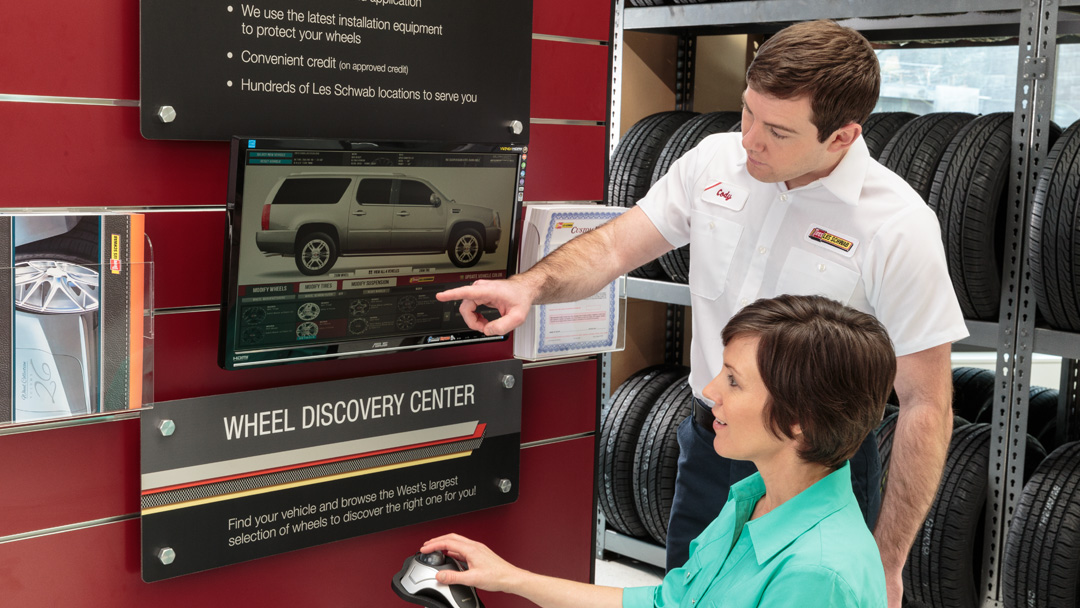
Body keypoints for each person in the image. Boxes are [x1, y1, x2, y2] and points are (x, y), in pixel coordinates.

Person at [436, 20, 966, 607]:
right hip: (714, 436)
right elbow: (614, 248)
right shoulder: (714, 160)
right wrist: (530, 287)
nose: (750, 140)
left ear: (841, 137)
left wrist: (888, 561)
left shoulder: (897, 226)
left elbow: (926, 403)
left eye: (778, 131)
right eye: (747, 113)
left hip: (808, 461)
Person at [421, 295, 894, 608]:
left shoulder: (816, 576)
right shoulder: (753, 501)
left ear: (798, 421)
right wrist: (511, 579)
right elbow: (667, 604)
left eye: (733, 381)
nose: (709, 391)